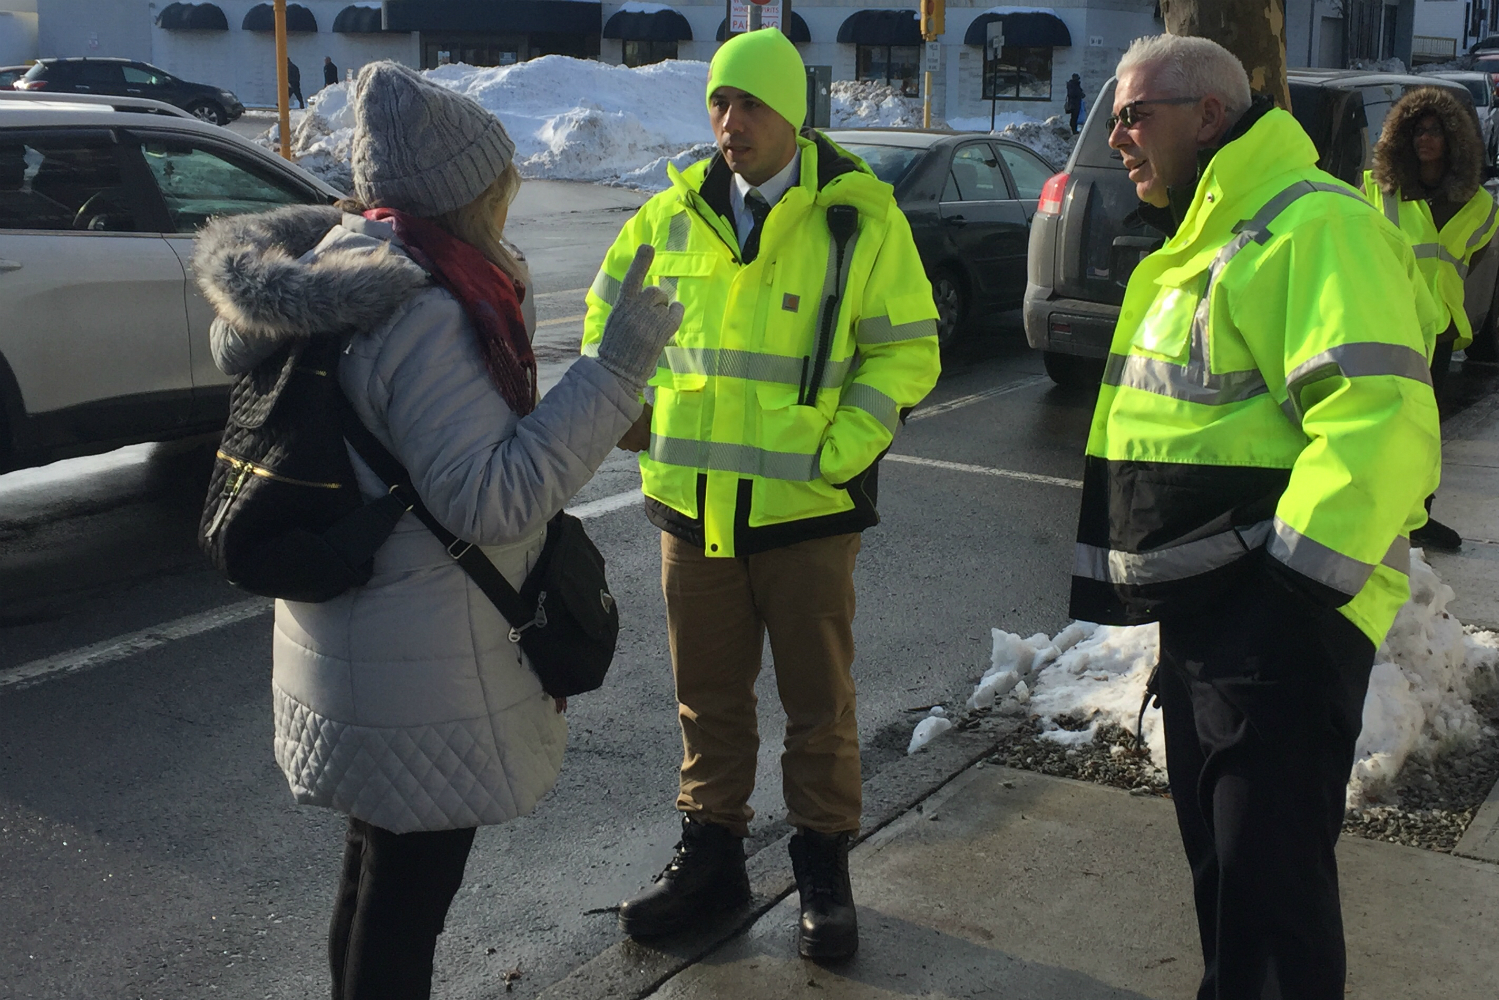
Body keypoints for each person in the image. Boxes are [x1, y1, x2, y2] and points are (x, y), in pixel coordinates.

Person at [192, 61, 681, 998]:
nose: (513, 200)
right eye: (504, 184)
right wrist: (614, 369)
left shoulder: (339, 274)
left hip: (356, 638)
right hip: (422, 654)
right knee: (405, 901)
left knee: (375, 873)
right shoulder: (419, 310)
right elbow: (492, 497)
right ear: (468, 195)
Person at [1072, 34, 1440, 998]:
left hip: (1279, 625)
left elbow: (1377, 418)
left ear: (1211, 115)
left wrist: (1285, 598)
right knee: (1232, 889)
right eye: (1113, 115)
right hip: (1220, 622)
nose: (1116, 136)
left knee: (1270, 903)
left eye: (1135, 113)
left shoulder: (1311, 225)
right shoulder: (1208, 234)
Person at [587, 27, 940, 961]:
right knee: (707, 698)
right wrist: (631, 411)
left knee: (818, 702)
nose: (729, 122)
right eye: (719, 103)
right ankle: (713, 855)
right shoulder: (667, 217)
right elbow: (606, 321)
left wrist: (844, 445)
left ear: (793, 113)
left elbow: (907, 348)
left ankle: (822, 865)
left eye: (749, 105)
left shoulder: (857, 220)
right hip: (692, 510)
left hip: (806, 513)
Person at [1361, 86, 1499, 553]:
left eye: (1434, 131)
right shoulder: (1380, 193)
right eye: (1417, 130)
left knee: (1425, 430)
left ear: (1452, 140)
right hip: (1390, 325)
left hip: (1437, 332)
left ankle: (1419, 516)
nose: (1425, 139)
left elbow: (1470, 258)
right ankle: (1377, 516)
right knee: (1380, 426)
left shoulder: (1478, 204)